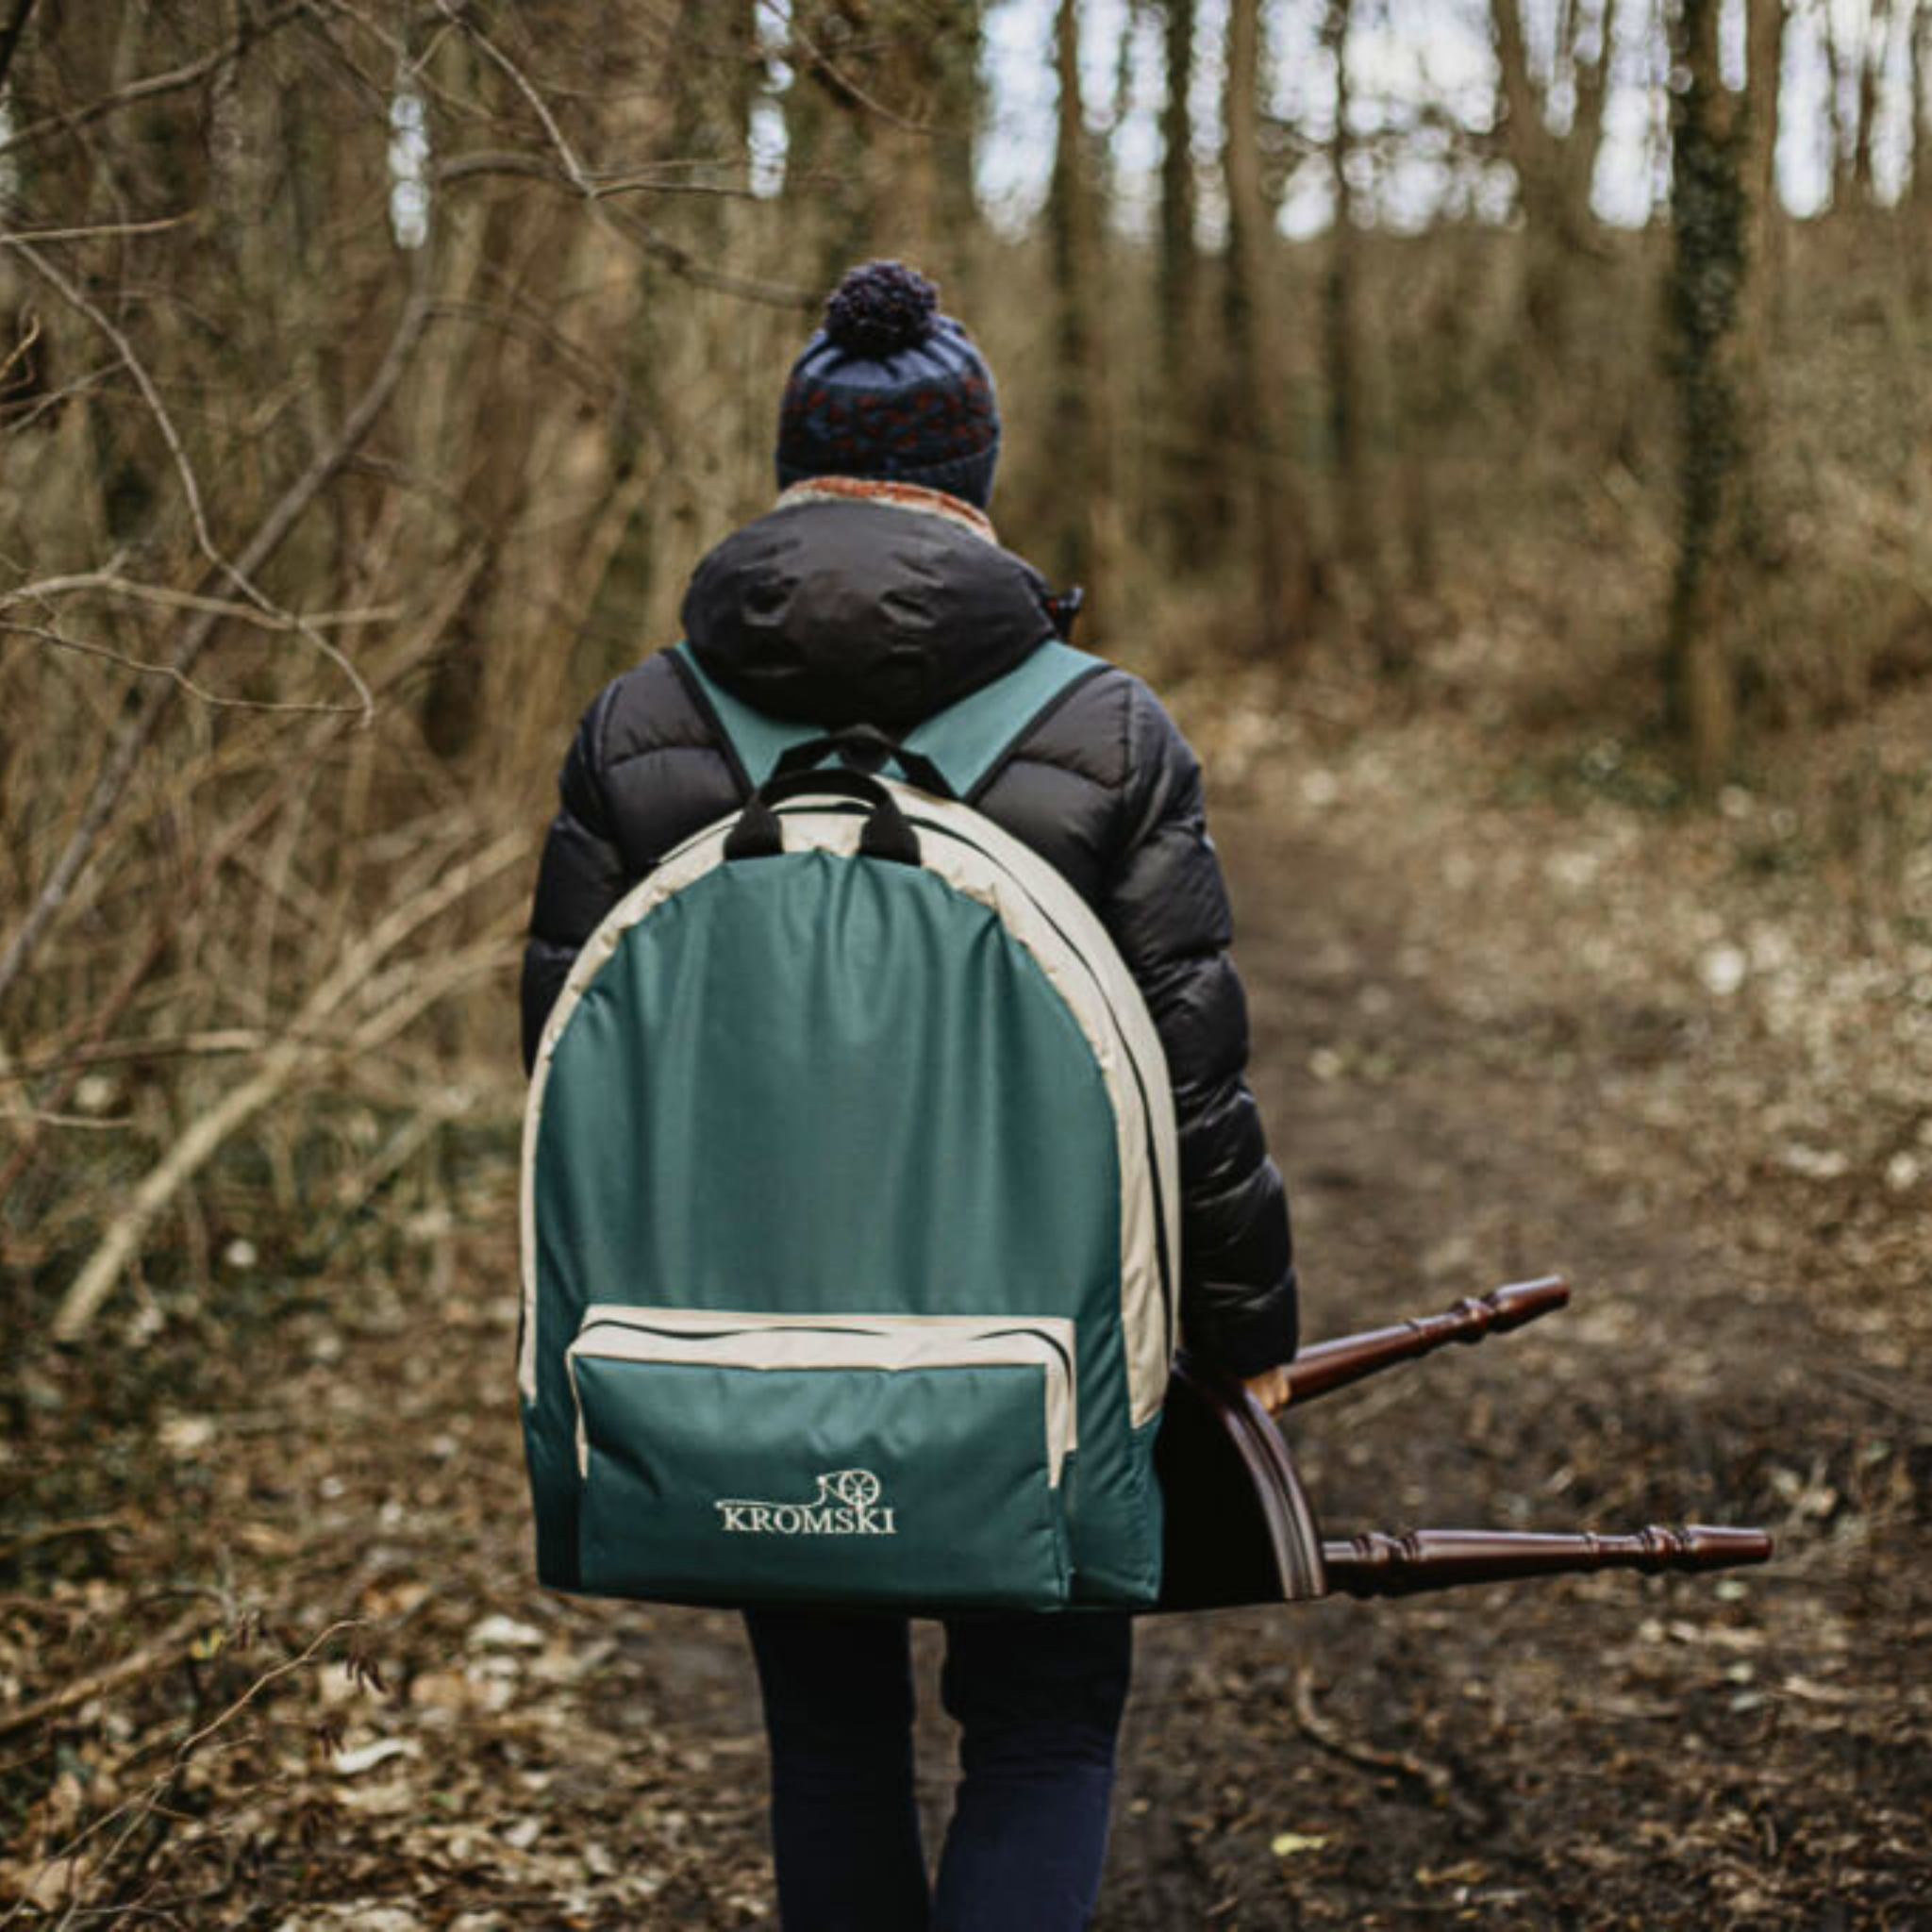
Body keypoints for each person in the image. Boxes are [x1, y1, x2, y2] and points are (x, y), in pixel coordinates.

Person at [518, 259, 1297, 1932]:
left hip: (735, 1346)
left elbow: (564, 1065)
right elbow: (1188, 1077)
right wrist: (1239, 1341)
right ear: (974, 493)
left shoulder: (641, 724)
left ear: (790, 471)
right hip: (1050, 1356)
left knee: (829, 1731)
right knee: (1041, 1720)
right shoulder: (1100, 727)